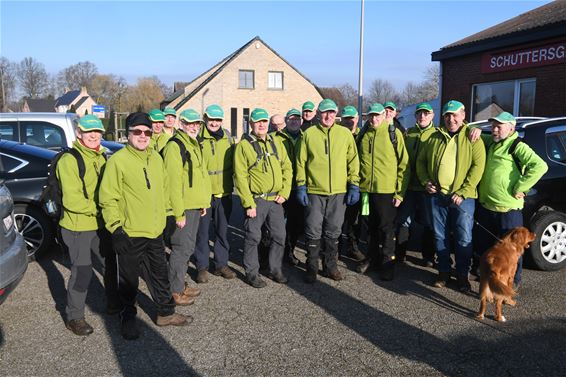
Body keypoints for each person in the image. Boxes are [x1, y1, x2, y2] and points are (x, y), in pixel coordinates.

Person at [99, 112, 189, 340]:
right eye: (137, 131)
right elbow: (108, 198)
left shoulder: (156, 158)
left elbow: (166, 190)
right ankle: (127, 317)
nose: (142, 136)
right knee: (128, 281)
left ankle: (165, 313)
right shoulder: (118, 161)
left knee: (160, 274)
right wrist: (116, 228)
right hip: (129, 233)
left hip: (155, 231)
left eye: (147, 132)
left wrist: (168, 216)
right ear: (127, 134)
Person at [472, 111, 548, 289]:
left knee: (512, 251)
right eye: (493, 126)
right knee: (485, 247)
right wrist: (474, 129)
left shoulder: (517, 146)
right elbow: (476, 135)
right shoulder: (492, 141)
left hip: (508, 210)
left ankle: (512, 283)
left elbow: (540, 166)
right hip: (486, 206)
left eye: (499, 126)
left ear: (511, 128)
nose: (494, 129)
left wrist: (521, 187)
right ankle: (487, 279)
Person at [416, 100, 486, 292]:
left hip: (463, 198)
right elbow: (420, 163)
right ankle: (444, 272)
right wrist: (425, 182)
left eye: (455, 115)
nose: (451, 119)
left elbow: (478, 167)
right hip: (437, 196)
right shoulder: (434, 138)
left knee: (464, 238)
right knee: (440, 236)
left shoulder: (473, 137)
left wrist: (463, 191)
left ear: (463, 115)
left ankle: (462, 275)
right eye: (447, 115)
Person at [57, 115, 118, 336]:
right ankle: (74, 317)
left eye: (98, 131)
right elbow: (71, 200)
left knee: (110, 264)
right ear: (78, 133)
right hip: (77, 226)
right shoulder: (69, 160)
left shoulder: (102, 156)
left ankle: (113, 303)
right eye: (89, 131)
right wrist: (102, 207)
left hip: (100, 224)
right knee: (82, 271)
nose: (94, 135)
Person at [296, 98, 360, 283]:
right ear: (318, 114)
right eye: (325, 112)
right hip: (315, 191)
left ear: (336, 114)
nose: (328, 115)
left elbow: (353, 161)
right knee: (313, 230)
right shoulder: (308, 134)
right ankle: (311, 267)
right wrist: (301, 185)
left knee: (333, 230)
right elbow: (301, 162)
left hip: (338, 192)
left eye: (332, 112)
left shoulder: (345, 134)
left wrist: (353, 184)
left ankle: (330, 266)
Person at [234, 108, 292, 288]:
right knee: (253, 237)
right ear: (251, 124)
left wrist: (285, 191)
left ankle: (274, 269)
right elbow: (240, 177)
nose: (261, 125)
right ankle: (252, 272)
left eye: (264, 121)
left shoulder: (276, 142)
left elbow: (287, 167)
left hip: (276, 200)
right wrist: (248, 203)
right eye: (257, 122)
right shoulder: (244, 146)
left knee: (279, 235)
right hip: (256, 200)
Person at [162, 109, 211, 305]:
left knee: (188, 247)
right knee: (181, 248)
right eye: (190, 123)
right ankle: (174, 290)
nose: (194, 126)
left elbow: (199, 176)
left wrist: (202, 203)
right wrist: (178, 212)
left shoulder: (194, 144)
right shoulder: (176, 146)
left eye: (197, 123)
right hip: (182, 207)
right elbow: (173, 182)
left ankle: (179, 284)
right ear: (181, 123)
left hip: (194, 205)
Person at [356, 103, 410, 281]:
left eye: (377, 115)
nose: (374, 119)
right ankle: (372, 258)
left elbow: (404, 165)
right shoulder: (363, 134)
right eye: (371, 116)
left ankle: (388, 262)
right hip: (366, 190)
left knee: (386, 228)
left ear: (383, 115)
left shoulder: (393, 133)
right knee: (370, 226)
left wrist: (399, 193)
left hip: (386, 190)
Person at [193, 104, 237, 283]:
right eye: (211, 119)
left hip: (224, 192)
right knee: (202, 233)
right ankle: (202, 267)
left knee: (222, 231)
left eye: (218, 119)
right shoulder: (197, 138)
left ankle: (221, 264)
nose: (214, 123)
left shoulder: (227, 137)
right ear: (205, 118)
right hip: (204, 194)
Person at [395, 102, 437, 266]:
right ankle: (400, 254)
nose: (422, 116)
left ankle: (428, 256)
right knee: (404, 220)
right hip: (409, 186)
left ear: (432, 116)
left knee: (428, 222)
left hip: (427, 187)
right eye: (419, 113)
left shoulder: (437, 134)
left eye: (426, 114)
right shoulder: (408, 134)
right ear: (415, 116)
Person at [274, 108, 304, 265]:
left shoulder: (306, 138)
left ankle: (289, 252)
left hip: (298, 188)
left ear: (301, 121)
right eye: (291, 119)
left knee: (295, 224)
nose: (294, 121)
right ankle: (270, 255)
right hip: (281, 188)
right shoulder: (276, 138)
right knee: (276, 224)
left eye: (297, 119)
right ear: (286, 121)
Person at [338, 105, 364, 261]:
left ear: (357, 119)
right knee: (338, 219)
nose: (349, 121)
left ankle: (353, 247)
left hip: (357, 183)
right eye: (346, 118)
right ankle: (337, 248)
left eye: (352, 118)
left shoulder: (364, 135)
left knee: (355, 219)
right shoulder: (338, 135)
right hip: (340, 183)